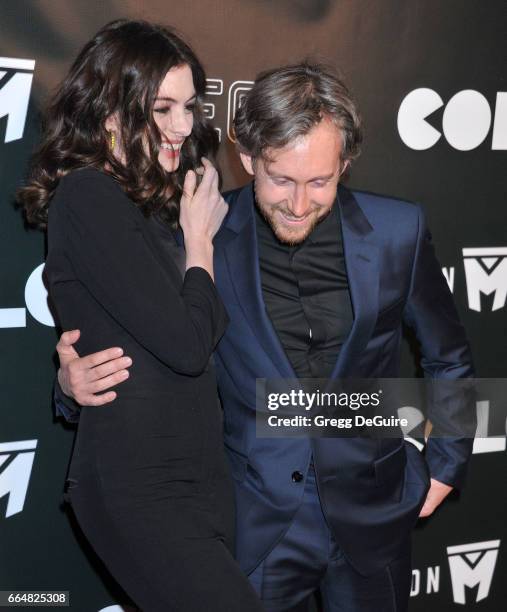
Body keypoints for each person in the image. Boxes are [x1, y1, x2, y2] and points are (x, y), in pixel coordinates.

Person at [54, 63, 475, 611]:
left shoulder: (400, 230)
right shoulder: (197, 238)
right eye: (280, 179)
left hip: (375, 517)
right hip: (255, 526)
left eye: (320, 182)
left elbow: (450, 356)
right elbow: (150, 351)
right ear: (247, 157)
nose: (299, 205)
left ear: (345, 164)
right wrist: (68, 385)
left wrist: (447, 464)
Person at [18, 19, 263, 612]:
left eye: (190, 106)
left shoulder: (156, 204)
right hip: (140, 483)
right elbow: (185, 343)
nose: (185, 125)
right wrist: (199, 243)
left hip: (200, 476)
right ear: (109, 110)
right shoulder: (88, 196)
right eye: (163, 108)